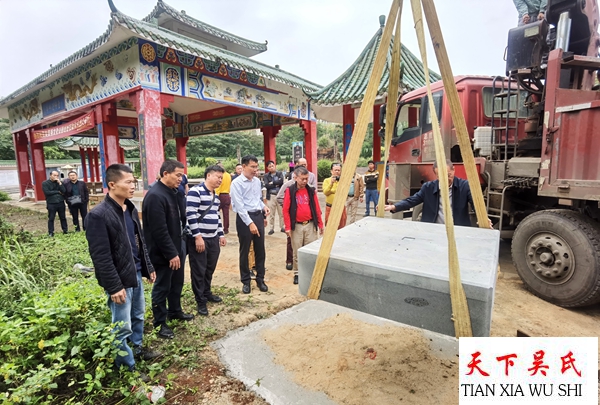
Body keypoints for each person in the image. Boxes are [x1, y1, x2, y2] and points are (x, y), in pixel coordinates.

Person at [86, 164, 160, 373]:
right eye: (128, 182)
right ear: (112, 184)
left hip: (135, 272)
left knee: (138, 316)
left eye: (133, 181)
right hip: (119, 279)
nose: (133, 185)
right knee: (121, 326)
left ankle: (136, 349)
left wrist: (147, 266)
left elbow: (139, 241)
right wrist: (114, 286)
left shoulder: (130, 209)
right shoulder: (99, 215)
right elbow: (100, 256)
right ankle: (127, 367)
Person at [143, 160, 194, 340]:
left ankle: (175, 311)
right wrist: (171, 253)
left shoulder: (173, 192)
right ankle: (160, 323)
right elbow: (159, 230)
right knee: (162, 286)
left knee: (177, 282)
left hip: (177, 244)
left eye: (182, 175)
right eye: (178, 175)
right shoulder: (155, 196)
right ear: (165, 174)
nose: (181, 179)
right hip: (163, 251)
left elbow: (180, 218)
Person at [186, 165, 227, 316]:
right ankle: (200, 300)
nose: (220, 180)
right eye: (218, 177)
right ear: (208, 175)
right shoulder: (195, 192)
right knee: (199, 270)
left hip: (213, 238)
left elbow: (216, 216)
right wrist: (197, 237)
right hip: (199, 239)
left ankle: (207, 292)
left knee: (210, 268)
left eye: (221, 178)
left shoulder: (215, 195)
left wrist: (221, 234)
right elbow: (190, 215)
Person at [384, 159, 474, 226]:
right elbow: (412, 200)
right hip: (432, 230)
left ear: (453, 170)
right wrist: (394, 207)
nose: (446, 179)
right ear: (436, 175)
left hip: (458, 231)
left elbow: (476, 205)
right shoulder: (428, 188)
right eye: (441, 176)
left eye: (448, 175)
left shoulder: (464, 186)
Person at [230, 155, 270, 294]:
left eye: (256, 167)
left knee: (260, 249)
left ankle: (260, 279)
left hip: (257, 216)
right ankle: (246, 281)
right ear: (244, 167)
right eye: (252, 167)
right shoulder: (236, 183)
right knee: (245, 250)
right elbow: (240, 206)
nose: (255, 170)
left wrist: (263, 207)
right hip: (244, 219)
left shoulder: (257, 181)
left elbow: (257, 199)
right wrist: (250, 223)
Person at [283, 166, 324, 285]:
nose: (305, 181)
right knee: (297, 251)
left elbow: (317, 208)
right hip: (297, 226)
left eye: (307, 178)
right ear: (295, 177)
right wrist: (288, 227)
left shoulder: (311, 190)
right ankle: (297, 273)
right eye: (302, 179)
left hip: (310, 225)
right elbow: (285, 210)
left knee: (311, 250)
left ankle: (310, 273)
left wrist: (320, 224)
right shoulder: (290, 190)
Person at [42, 170, 68, 236]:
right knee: (51, 218)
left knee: (63, 217)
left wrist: (60, 183)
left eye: (57, 175)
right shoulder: (45, 183)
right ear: (50, 175)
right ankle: (51, 232)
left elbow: (64, 191)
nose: (56, 177)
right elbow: (47, 192)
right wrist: (57, 192)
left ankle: (65, 230)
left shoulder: (60, 182)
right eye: (54, 175)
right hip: (51, 203)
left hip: (60, 202)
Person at [263, 160, 285, 235]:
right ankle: (271, 228)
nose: (271, 167)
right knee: (271, 213)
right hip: (271, 196)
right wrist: (276, 184)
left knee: (281, 213)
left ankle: (282, 227)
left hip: (279, 196)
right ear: (267, 168)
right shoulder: (266, 176)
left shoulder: (279, 173)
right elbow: (267, 185)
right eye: (270, 166)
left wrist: (272, 183)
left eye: (272, 166)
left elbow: (281, 182)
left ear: (275, 166)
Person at [322, 162, 347, 229]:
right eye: (335, 170)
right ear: (331, 171)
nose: (337, 172)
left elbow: (344, 192)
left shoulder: (343, 181)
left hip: (340, 206)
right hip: (330, 207)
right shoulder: (327, 180)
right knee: (329, 226)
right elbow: (326, 192)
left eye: (339, 170)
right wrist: (331, 184)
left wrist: (332, 191)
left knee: (342, 226)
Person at [215, 162, 232, 234]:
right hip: (227, 194)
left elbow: (219, 187)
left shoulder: (220, 176)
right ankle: (226, 229)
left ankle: (216, 227)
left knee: (216, 211)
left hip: (220, 195)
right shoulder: (228, 175)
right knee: (226, 214)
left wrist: (215, 195)